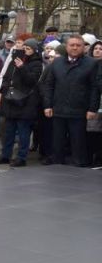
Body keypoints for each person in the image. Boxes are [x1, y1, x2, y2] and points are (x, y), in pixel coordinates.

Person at [41, 35, 100, 166]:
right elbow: (49, 85)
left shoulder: (91, 63)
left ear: (84, 47)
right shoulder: (57, 62)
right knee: (57, 143)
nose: (74, 47)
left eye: (78, 45)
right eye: (72, 45)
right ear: (66, 47)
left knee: (78, 144)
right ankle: (57, 167)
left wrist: (92, 108)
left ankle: (79, 169)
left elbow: (94, 88)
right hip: (58, 110)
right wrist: (47, 105)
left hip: (79, 111)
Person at [0, 39, 43, 166]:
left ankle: (21, 157)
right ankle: (6, 155)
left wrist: (22, 67)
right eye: (24, 48)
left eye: (28, 49)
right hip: (10, 99)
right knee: (8, 131)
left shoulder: (37, 64)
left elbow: (31, 80)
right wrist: (2, 92)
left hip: (25, 102)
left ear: (34, 50)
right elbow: (6, 77)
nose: (25, 51)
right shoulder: (14, 60)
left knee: (23, 132)